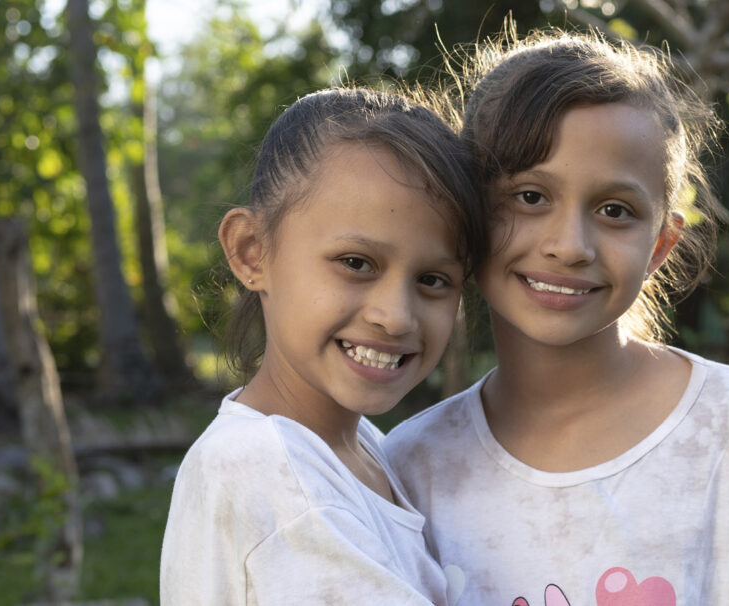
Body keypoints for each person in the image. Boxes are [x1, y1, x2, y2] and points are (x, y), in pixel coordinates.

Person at [384, 27, 729, 605]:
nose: (570, 246)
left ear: (660, 245)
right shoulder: (408, 471)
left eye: (616, 210)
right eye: (530, 197)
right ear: (466, 213)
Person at [159, 86, 487, 605]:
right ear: (251, 252)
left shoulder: (360, 449)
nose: (395, 316)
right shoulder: (271, 473)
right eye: (356, 263)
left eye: (433, 280)